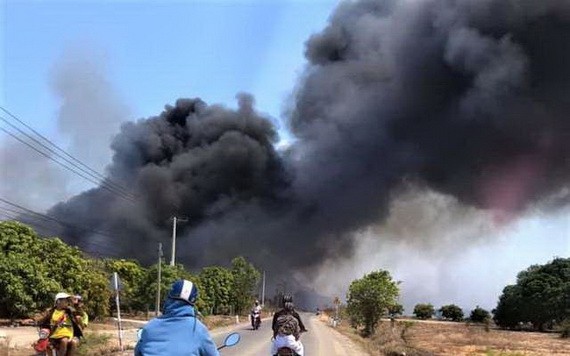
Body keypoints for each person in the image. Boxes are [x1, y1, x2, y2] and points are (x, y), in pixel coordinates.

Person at [135, 279, 219, 356]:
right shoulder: (198, 329)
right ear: (192, 303)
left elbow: (138, 352)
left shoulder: (150, 327)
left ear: (169, 298)